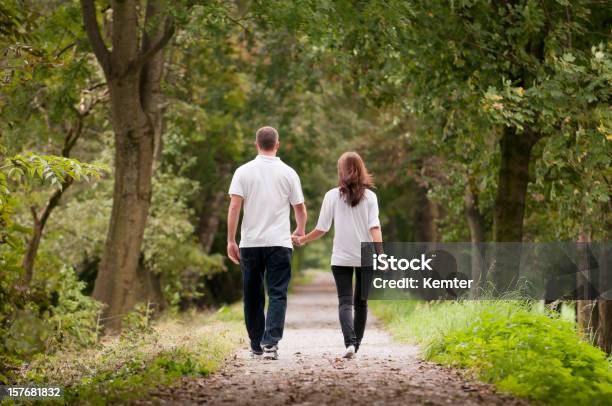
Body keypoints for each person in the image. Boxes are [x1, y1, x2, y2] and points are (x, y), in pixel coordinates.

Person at [227, 126, 307, 360]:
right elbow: (300, 208)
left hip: (250, 243)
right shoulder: (289, 173)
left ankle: (255, 345)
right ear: (277, 145)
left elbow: (234, 207)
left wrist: (231, 239)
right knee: (277, 293)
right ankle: (270, 343)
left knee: (252, 295)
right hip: (279, 243)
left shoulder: (243, 172)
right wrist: (300, 230)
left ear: (256, 144)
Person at [293, 152, 382, 358]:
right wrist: (382, 255)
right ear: (361, 169)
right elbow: (375, 228)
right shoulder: (371, 197)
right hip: (366, 256)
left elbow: (322, 228)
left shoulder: (332, 195)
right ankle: (355, 345)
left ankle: (349, 343)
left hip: (341, 257)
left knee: (345, 302)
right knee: (361, 303)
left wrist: (302, 238)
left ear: (341, 171)